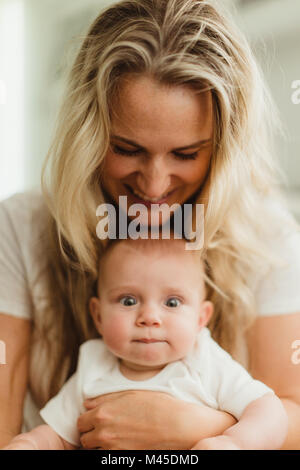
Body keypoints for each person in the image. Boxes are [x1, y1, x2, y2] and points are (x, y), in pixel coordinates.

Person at [0, 0, 300, 450]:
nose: (154, 185)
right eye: (127, 148)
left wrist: (191, 428)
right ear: (89, 134)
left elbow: (288, 409)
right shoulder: (22, 226)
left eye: (185, 154)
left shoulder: (266, 233)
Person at [3, 238, 288, 450]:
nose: (149, 317)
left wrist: (235, 444)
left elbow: (268, 409)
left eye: (172, 302)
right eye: (129, 300)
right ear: (98, 315)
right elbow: (57, 436)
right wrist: (29, 443)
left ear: (201, 318)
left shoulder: (205, 360)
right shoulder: (93, 363)